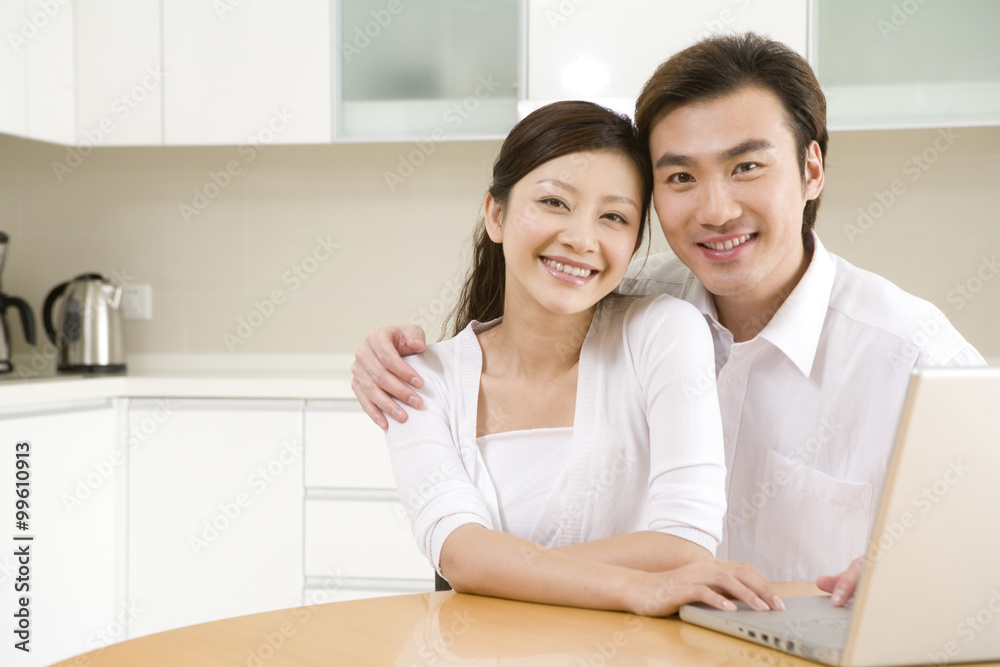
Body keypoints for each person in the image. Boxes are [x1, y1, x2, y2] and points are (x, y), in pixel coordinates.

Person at [354, 34, 985, 605]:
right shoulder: (636, 306)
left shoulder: (914, 356)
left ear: (811, 169)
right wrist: (386, 358)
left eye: (746, 166)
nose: (715, 209)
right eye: (681, 176)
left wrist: (928, 571)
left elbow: (983, 548)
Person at [385, 100, 783, 617]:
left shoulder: (664, 333)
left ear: (635, 242)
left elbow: (685, 543)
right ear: (496, 214)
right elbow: (460, 556)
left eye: (613, 217)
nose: (580, 238)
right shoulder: (420, 379)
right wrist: (637, 587)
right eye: (554, 203)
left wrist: (499, 572)